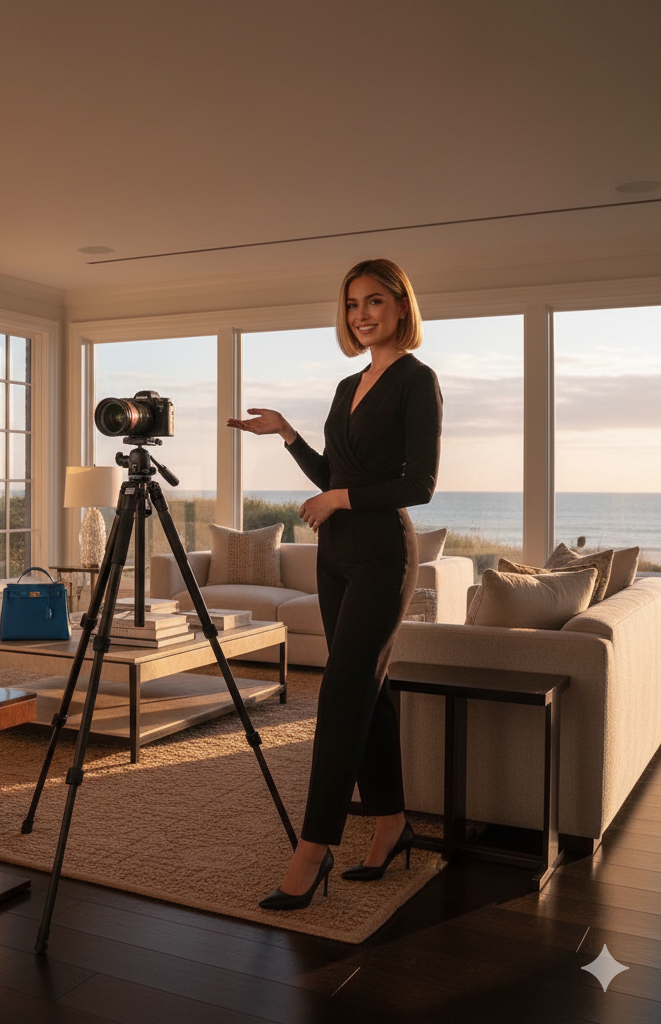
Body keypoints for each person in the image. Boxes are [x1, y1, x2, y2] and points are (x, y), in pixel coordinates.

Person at [228, 258, 442, 909]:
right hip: (335, 558)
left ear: (401, 306)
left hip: (382, 557)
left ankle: (313, 849)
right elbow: (331, 475)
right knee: (370, 695)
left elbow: (419, 485)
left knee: (341, 695)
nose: (361, 314)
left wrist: (344, 499)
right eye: (352, 304)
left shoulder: (416, 381)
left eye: (375, 301)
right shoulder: (348, 383)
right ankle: (392, 826)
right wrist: (289, 435)